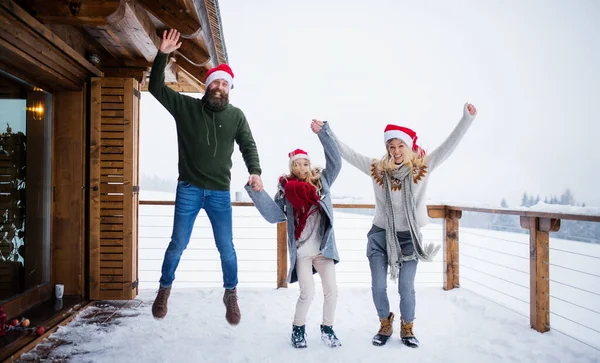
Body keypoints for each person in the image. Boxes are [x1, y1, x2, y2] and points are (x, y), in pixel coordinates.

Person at [332, 103, 478, 347]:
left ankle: (407, 327)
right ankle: (385, 323)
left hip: (409, 236)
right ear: (387, 148)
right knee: (378, 286)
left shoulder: (422, 168)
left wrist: (466, 119)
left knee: (405, 287)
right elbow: (347, 153)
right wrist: (325, 132)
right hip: (380, 234)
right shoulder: (377, 169)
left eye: (400, 146)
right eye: (391, 146)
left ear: (408, 147)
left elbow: (448, 147)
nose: (396, 151)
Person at [148, 28, 264, 325]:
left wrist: (255, 171)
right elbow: (157, 89)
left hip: (219, 193)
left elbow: (248, 145)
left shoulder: (236, 116)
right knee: (178, 243)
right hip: (188, 188)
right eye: (216, 82)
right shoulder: (187, 108)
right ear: (208, 86)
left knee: (227, 247)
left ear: (229, 89)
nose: (220, 87)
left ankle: (230, 294)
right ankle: (164, 289)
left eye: (225, 84)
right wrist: (163, 55)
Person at [245, 120, 342, 348]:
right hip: (302, 252)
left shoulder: (322, 184)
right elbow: (273, 215)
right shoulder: (287, 191)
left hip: (323, 249)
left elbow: (336, 162)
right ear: (292, 168)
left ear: (310, 165)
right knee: (307, 293)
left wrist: (324, 133)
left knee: (332, 291)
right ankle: (297, 330)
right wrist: (257, 191)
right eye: (297, 164)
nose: (302, 167)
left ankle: (327, 329)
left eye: (305, 163)